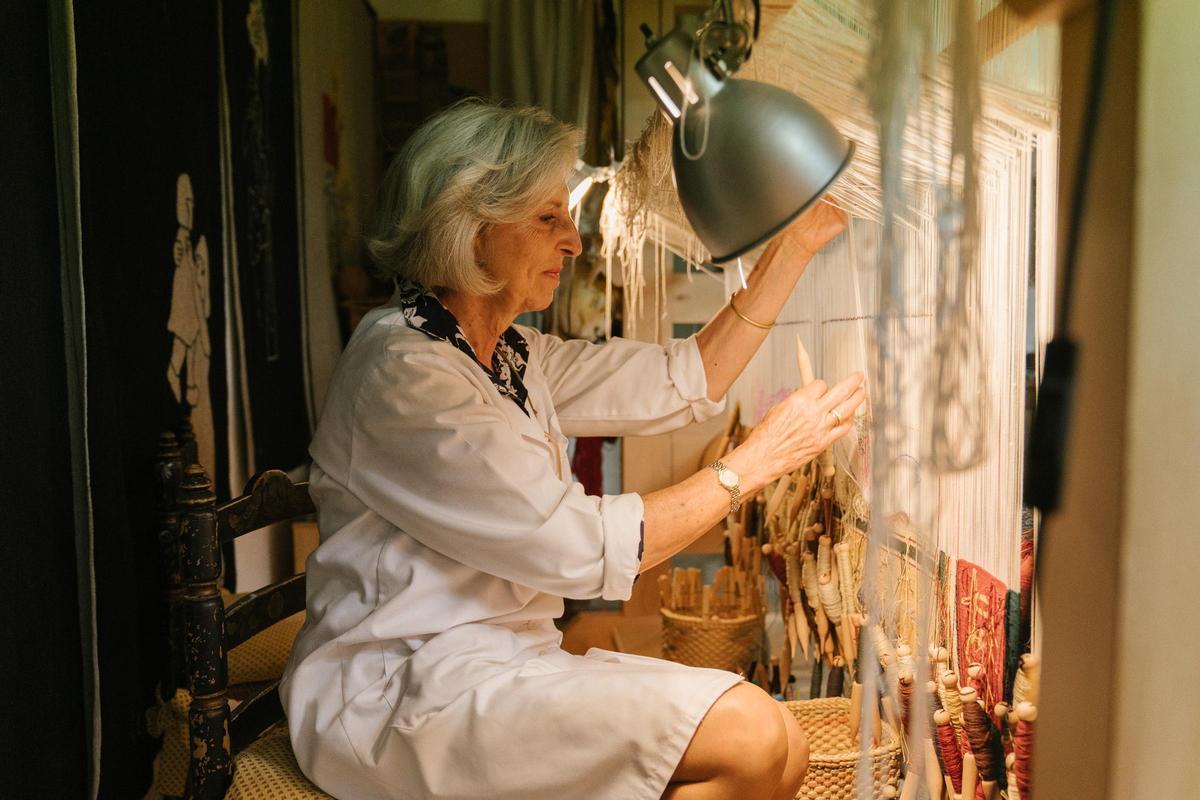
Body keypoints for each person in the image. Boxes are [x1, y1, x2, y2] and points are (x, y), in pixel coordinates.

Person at [280, 99, 865, 800]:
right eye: (548, 217)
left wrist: (793, 247)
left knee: (786, 750)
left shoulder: (508, 352)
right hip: (400, 690)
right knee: (753, 737)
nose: (574, 242)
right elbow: (575, 547)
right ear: (472, 229)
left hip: (499, 666)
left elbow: (684, 379)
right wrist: (756, 461)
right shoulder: (405, 372)